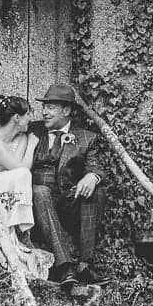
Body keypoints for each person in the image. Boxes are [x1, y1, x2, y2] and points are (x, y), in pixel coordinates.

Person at [26, 81, 107, 286]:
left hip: (67, 202)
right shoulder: (32, 130)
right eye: (44, 107)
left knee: (95, 192)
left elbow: (95, 167)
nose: (44, 112)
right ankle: (65, 267)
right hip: (37, 203)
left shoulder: (86, 138)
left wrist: (92, 177)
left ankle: (85, 265)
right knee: (41, 191)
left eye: (50, 107)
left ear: (66, 110)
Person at [0, 93, 53, 283]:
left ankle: (21, 233)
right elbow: (20, 168)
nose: (30, 119)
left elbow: (22, 170)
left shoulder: (21, 138)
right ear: (17, 118)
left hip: (2, 190)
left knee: (23, 176)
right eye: (28, 114)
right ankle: (19, 234)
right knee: (22, 174)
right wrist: (32, 147)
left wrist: (29, 143)